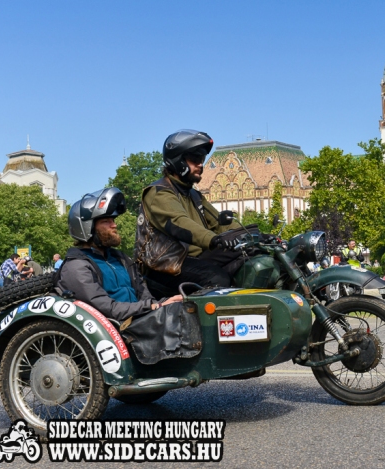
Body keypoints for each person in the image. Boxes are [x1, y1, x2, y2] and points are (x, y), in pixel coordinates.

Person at [56, 188, 198, 365]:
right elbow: (106, 308)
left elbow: (142, 291)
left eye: (113, 220)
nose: (114, 225)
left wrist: (157, 305)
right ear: (87, 228)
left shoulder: (119, 258)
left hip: (137, 321)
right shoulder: (76, 266)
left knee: (189, 304)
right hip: (115, 330)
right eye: (106, 222)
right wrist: (153, 307)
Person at [139, 129, 245, 292]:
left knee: (249, 257)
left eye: (202, 159)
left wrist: (251, 235)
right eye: (195, 159)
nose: (201, 164)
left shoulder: (194, 195)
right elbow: (179, 222)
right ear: (178, 161)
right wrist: (214, 239)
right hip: (165, 266)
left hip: (195, 259)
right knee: (217, 277)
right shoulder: (158, 193)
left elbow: (219, 223)